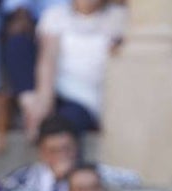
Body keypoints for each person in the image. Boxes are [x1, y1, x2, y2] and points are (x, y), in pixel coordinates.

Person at [18, 0, 128, 140]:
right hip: (60, 92)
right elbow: (48, 61)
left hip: (91, 100)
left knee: (66, 123)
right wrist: (43, 105)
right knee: (18, 45)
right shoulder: (55, 15)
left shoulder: (120, 18)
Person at [2, 112, 140, 191]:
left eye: (66, 149)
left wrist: (89, 177)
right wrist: (54, 179)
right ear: (42, 152)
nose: (61, 156)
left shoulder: (91, 171)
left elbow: (133, 181)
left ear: (76, 148)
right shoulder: (23, 178)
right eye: (54, 151)